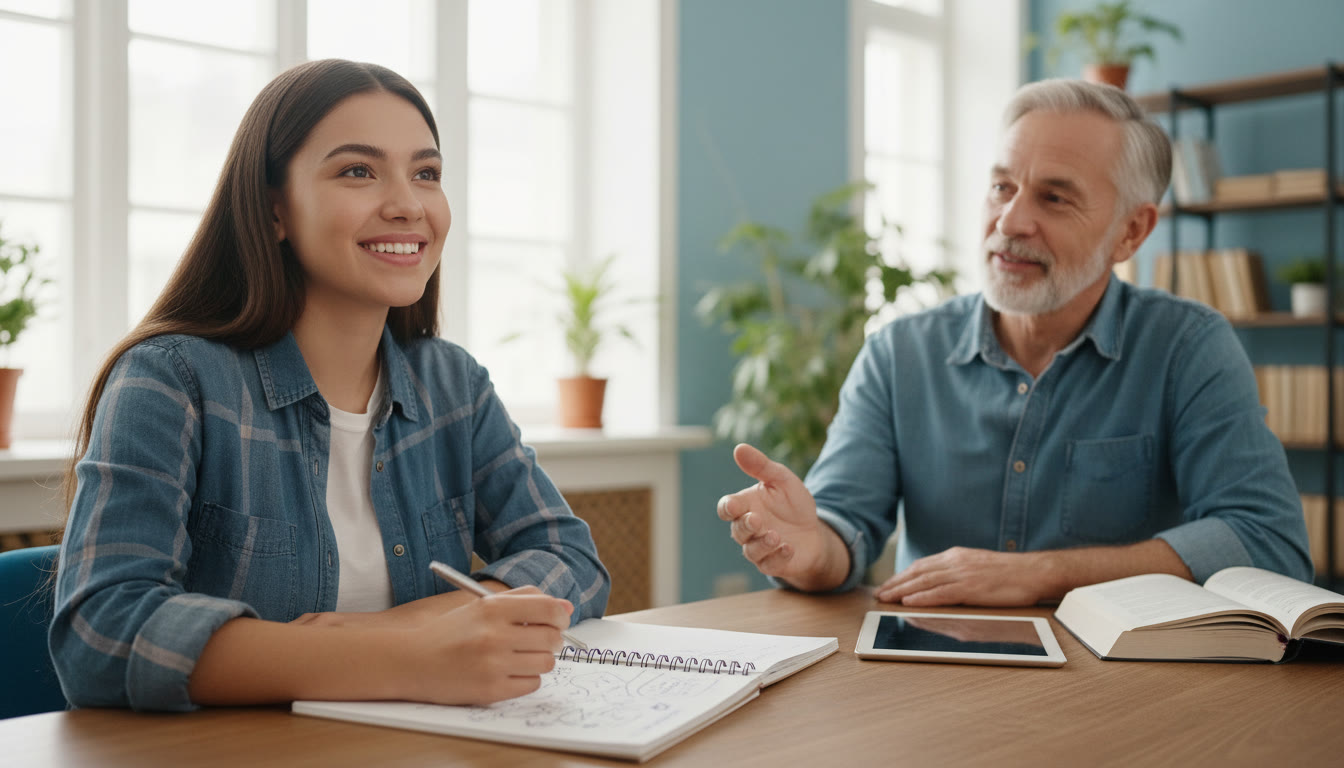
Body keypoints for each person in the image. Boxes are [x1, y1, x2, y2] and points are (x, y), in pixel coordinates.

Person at [51, 59, 610, 712]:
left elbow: (569, 557)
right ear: (273, 210)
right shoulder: (169, 380)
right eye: (357, 171)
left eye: (426, 173)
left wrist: (401, 627)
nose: (408, 203)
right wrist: (405, 659)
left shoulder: (454, 384)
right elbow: (101, 633)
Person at [715, 78, 1312, 606]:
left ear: (1131, 231)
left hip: (1125, 693)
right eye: (1002, 187)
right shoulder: (899, 353)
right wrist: (806, 548)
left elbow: (1266, 541)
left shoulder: (1189, 347)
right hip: (931, 685)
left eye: (1053, 197)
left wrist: (1043, 575)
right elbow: (841, 531)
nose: (1010, 222)